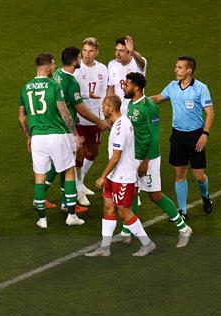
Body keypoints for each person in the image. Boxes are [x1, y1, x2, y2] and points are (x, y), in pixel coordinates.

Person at [115, 73, 192, 247]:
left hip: (147, 159)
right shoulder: (131, 104)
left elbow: (155, 136)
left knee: (155, 196)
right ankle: (126, 232)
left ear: (135, 87)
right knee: (132, 192)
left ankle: (184, 228)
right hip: (134, 157)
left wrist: (145, 161)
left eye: (127, 84)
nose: (124, 87)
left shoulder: (148, 106)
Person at [18, 52, 85, 229]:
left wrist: (29, 137)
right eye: (53, 64)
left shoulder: (25, 88)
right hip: (56, 134)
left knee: (39, 177)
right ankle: (71, 215)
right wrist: (75, 133)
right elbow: (64, 111)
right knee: (69, 171)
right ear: (47, 66)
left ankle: (42, 219)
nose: (54, 67)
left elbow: (21, 118)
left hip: (37, 138)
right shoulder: (54, 86)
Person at [86, 96, 156, 257]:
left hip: (123, 177)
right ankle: (104, 248)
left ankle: (147, 243)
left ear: (112, 108)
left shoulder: (120, 128)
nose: (102, 108)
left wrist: (102, 176)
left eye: (104, 106)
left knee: (124, 212)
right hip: (114, 176)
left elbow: (116, 157)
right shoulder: (120, 122)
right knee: (108, 208)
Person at [150, 56, 214, 217]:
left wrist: (204, 134)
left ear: (188, 71)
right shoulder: (172, 86)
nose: (175, 70)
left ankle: (205, 196)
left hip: (196, 136)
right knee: (180, 173)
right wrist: (138, 100)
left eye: (179, 67)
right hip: (178, 136)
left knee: (199, 176)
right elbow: (157, 98)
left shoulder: (201, 88)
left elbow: (210, 113)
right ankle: (182, 210)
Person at [53, 46, 110, 207]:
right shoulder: (71, 80)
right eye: (80, 54)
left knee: (70, 160)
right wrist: (99, 121)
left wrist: (87, 96)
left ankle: (59, 196)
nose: (83, 57)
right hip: (68, 126)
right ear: (74, 61)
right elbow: (81, 109)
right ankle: (70, 201)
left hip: (58, 124)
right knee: (70, 162)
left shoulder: (57, 73)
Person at [73, 37, 109, 198]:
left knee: (93, 152)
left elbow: (104, 93)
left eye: (91, 51)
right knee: (79, 151)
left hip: (95, 117)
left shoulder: (103, 69)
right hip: (79, 118)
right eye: (85, 51)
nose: (87, 54)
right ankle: (77, 186)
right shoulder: (76, 69)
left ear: (97, 52)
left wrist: (105, 116)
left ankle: (81, 181)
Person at [107, 36, 147, 116]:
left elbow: (142, 63)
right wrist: (110, 106)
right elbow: (111, 87)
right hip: (119, 113)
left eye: (121, 51)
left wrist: (133, 51)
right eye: (116, 50)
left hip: (136, 111)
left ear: (129, 52)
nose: (117, 54)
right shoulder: (112, 65)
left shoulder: (137, 63)